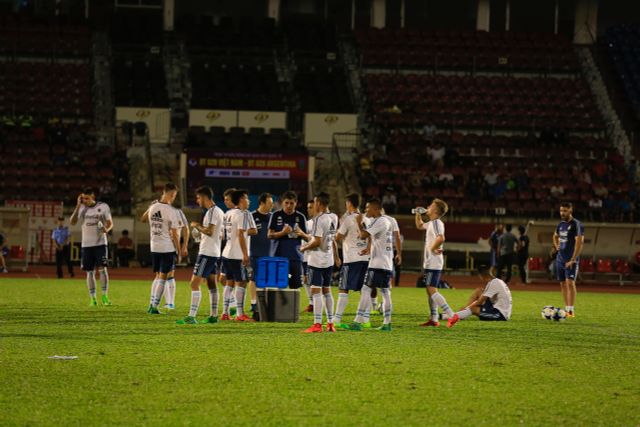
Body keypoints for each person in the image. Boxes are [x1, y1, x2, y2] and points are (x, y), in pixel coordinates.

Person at [176, 186, 225, 325]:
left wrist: (197, 226)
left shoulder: (212, 212)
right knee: (211, 284)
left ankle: (192, 316)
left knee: (194, 284)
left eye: (198, 198)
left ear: (204, 197)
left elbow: (210, 232)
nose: (197, 201)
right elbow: (218, 235)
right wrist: (199, 236)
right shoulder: (219, 212)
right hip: (214, 252)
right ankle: (214, 316)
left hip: (207, 253)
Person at [348, 198, 394, 332]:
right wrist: (369, 248)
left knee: (366, 289)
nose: (366, 210)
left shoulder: (381, 221)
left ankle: (357, 321)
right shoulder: (384, 221)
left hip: (378, 263)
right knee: (385, 292)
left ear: (377, 209)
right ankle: (387, 323)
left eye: (368, 207)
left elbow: (363, 235)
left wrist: (359, 223)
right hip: (385, 262)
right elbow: (375, 238)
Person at [140, 183, 184, 314]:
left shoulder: (153, 207)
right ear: (171, 194)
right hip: (166, 248)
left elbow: (142, 219)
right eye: (174, 195)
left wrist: (150, 207)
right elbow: (175, 234)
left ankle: (151, 303)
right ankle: (154, 306)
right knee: (163, 277)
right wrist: (179, 251)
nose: (174, 198)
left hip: (154, 247)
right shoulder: (171, 211)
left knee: (158, 276)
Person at [300, 192, 340, 333]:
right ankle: (330, 324)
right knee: (327, 291)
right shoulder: (334, 217)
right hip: (328, 260)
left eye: (315, 202)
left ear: (319, 203)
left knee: (316, 291)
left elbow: (316, 242)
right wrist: (336, 256)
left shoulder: (318, 220)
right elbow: (332, 239)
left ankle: (317, 325)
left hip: (316, 260)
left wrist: (304, 247)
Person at [415, 198, 455, 327]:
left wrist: (432, 248)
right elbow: (420, 226)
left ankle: (450, 314)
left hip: (434, 261)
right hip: (429, 262)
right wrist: (417, 214)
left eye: (430, 206)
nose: (428, 206)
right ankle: (434, 318)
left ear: (435, 210)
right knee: (429, 289)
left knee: (431, 289)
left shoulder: (437, 222)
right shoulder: (432, 223)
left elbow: (441, 238)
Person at [70, 187, 113, 306]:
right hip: (86, 245)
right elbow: (72, 222)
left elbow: (110, 223)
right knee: (89, 272)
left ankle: (104, 296)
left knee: (103, 270)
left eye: (87, 198)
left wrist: (106, 229)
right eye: (83, 198)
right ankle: (93, 298)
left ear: (93, 197)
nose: (85, 200)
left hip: (100, 244)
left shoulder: (103, 206)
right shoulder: (82, 208)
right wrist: (78, 205)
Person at [334, 193, 370, 329]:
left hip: (351, 259)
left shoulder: (348, 219)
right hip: (365, 259)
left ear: (349, 203)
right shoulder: (366, 219)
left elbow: (337, 237)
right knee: (363, 289)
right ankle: (365, 319)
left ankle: (336, 319)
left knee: (343, 288)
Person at [221, 189, 257, 322]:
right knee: (241, 282)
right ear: (241, 200)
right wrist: (245, 255)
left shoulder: (228, 213)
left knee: (229, 283)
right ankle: (240, 314)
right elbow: (241, 234)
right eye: (247, 199)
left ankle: (225, 313)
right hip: (237, 255)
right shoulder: (243, 214)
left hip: (227, 253)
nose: (249, 201)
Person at [268, 191, 307, 290]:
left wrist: (301, 233)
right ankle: (279, 306)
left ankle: (293, 306)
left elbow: (307, 238)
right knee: (280, 287)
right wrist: (282, 232)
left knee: (295, 288)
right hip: (279, 257)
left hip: (295, 258)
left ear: (296, 203)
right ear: (282, 203)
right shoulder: (276, 215)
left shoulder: (301, 217)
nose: (289, 206)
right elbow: (269, 235)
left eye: (291, 203)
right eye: (286, 203)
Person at [552, 202, 584, 318]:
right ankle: (566, 309)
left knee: (570, 283)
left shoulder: (576, 224)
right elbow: (555, 236)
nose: (562, 213)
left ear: (571, 210)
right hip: (560, 259)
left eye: (565, 210)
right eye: (561, 211)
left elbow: (579, 243)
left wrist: (573, 259)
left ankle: (571, 311)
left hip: (571, 260)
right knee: (562, 284)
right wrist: (556, 246)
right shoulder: (560, 224)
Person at [249, 192, 274, 314]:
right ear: (262, 203)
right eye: (270, 203)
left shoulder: (272, 217)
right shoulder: (251, 216)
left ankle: (263, 303)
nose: (272, 205)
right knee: (254, 279)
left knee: (266, 280)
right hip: (255, 253)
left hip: (269, 254)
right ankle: (254, 304)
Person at [164, 205, 190, 310]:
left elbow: (186, 229)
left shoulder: (178, 212)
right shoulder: (160, 210)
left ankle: (170, 303)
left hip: (171, 247)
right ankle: (168, 303)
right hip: (160, 247)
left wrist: (184, 247)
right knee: (162, 275)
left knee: (167, 274)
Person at [297, 200, 316, 312]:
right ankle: (311, 303)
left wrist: (302, 234)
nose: (309, 209)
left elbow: (314, 239)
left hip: (314, 255)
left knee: (313, 281)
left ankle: (315, 303)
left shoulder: (319, 222)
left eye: (311, 207)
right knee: (305, 280)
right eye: (308, 207)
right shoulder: (306, 222)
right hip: (305, 256)